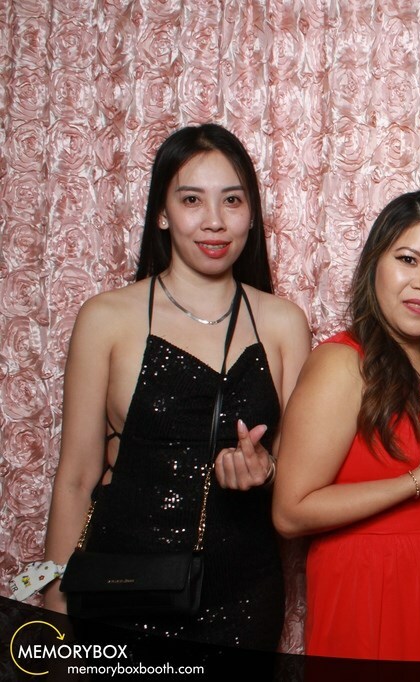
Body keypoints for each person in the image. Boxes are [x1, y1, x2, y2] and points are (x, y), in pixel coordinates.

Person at [41, 123, 311, 648]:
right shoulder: (106, 318)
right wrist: (54, 609)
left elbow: (298, 481)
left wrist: (266, 470)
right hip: (120, 590)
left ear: (251, 213)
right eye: (191, 200)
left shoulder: (283, 324)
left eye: (232, 200)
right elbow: (75, 478)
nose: (214, 221)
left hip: (244, 598)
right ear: (162, 213)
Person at [272, 190, 420, 662]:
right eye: (408, 259)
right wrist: (419, 479)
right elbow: (290, 512)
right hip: (367, 587)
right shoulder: (342, 363)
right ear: (375, 263)